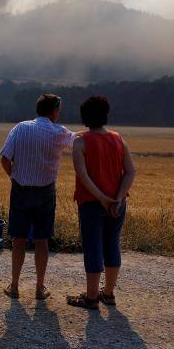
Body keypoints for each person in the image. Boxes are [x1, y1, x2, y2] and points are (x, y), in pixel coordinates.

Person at [0, 94, 75, 300]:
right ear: (55, 111)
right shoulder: (59, 132)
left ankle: (14, 286)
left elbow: (5, 158)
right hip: (45, 192)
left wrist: (13, 175)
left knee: (18, 240)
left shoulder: (20, 127)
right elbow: (78, 142)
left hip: (20, 190)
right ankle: (39, 287)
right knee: (42, 240)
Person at [67, 96, 135, 309]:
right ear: (105, 115)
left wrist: (101, 198)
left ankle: (91, 297)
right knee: (112, 245)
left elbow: (83, 175)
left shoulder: (80, 141)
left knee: (93, 247)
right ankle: (108, 293)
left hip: (91, 203)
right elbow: (130, 171)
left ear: (84, 117)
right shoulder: (118, 139)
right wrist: (118, 198)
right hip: (117, 204)